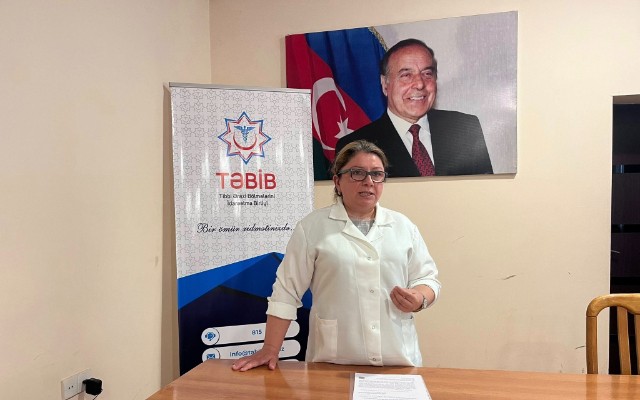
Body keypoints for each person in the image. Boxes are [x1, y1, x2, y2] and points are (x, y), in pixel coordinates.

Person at [232, 140, 440, 372]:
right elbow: (286, 292)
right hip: (333, 360)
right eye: (357, 173)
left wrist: (420, 298)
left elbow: (428, 279)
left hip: (398, 359)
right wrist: (270, 349)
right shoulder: (312, 227)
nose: (369, 181)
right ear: (337, 181)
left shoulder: (403, 226)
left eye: (377, 174)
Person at [334, 38, 493, 178]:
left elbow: (484, 193)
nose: (420, 84)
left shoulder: (465, 128)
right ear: (385, 84)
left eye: (427, 74)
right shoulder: (355, 146)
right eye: (406, 75)